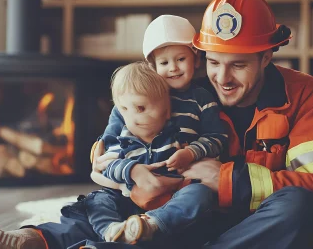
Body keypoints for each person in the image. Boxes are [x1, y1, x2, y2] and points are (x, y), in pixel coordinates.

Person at [0, 0, 313, 249]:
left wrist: (226, 178)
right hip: (188, 215)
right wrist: (107, 160)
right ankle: (36, 240)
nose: (222, 78)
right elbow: (132, 118)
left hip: (251, 225)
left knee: (301, 210)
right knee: (113, 205)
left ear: (267, 56)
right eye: (214, 62)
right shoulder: (193, 93)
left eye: (238, 65)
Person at [81, 61, 219, 245]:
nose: (132, 118)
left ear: (167, 111)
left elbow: (207, 150)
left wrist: (189, 157)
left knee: (200, 194)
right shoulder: (123, 137)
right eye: (124, 110)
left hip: (170, 200)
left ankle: (151, 225)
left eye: (141, 108)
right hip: (128, 198)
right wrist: (132, 170)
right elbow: (108, 166)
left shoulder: (176, 137)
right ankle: (112, 231)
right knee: (95, 200)